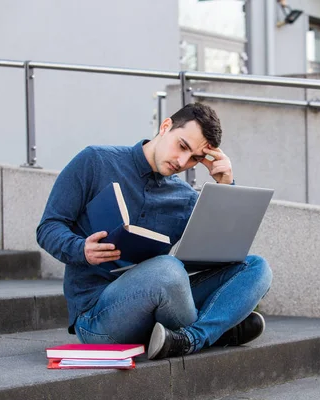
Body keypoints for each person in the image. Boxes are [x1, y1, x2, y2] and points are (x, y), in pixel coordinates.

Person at [36, 102, 272, 360]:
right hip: (98, 317)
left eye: (194, 158)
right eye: (182, 146)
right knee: (167, 270)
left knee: (257, 268)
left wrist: (226, 185)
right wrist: (81, 249)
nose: (183, 162)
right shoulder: (95, 161)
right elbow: (49, 226)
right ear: (165, 126)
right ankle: (215, 331)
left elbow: (225, 254)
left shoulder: (185, 198)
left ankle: (189, 339)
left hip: (161, 302)